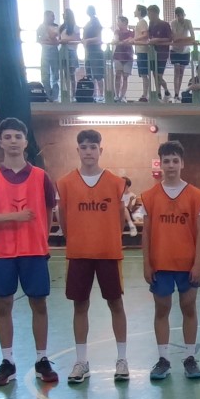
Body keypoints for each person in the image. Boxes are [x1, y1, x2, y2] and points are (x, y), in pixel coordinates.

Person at [0, 118, 59, 386]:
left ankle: (42, 359)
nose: (13, 141)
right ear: (0, 142)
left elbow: (48, 211)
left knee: (39, 304)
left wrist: (41, 238)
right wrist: (14, 217)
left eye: (17, 136)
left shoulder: (41, 177)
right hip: (2, 252)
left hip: (34, 251)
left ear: (25, 142)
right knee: (3, 305)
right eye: (8, 137)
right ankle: (7, 361)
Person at [53, 129, 130, 384]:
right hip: (79, 253)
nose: (88, 151)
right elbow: (63, 219)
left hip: (108, 253)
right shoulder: (65, 183)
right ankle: (81, 361)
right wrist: (77, 239)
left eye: (93, 147)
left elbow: (119, 219)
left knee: (116, 304)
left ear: (100, 150)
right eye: (84, 147)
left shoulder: (115, 182)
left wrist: (108, 237)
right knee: (80, 305)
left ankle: (122, 359)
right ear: (78, 150)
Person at [139, 140, 200, 380]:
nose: (170, 165)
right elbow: (146, 233)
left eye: (175, 161)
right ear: (160, 164)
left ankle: (189, 357)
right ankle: (163, 359)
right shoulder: (149, 196)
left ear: (182, 164)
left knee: (189, 307)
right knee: (162, 309)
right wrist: (146, 263)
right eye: (166, 161)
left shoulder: (196, 196)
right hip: (160, 263)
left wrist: (197, 263)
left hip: (187, 264)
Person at [145, 5, 172, 100]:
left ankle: (165, 90)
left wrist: (157, 39)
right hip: (153, 53)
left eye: (149, 13)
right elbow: (149, 36)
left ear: (155, 13)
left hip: (162, 53)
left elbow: (170, 38)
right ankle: (159, 93)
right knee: (154, 74)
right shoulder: (151, 24)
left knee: (159, 75)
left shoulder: (165, 24)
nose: (148, 15)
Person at [170, 7, 194, 102]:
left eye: (182, 15)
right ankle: (176, 93)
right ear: (176, 16)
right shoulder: (173, 23)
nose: (180, 17)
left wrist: (181, 39)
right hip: (175, 50)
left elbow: (192, 37)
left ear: (184, 15)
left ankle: (178, 92)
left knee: (181, 73)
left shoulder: (188, 22)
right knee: (176, 72)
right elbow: (174, 38)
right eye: (178, 16)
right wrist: (184, 39)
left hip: (185, 50)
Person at [82, 6, 106, 102]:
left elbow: (98, 38)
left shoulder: (96, 22)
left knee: (98, 74)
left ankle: (101, 95)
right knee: (89, 74)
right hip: (88, 51)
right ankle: (93, 94)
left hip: (96, 51)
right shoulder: (88, 23)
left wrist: (88, 40)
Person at [38, 11, 61, 100]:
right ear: (46, 17)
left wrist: (48, 40)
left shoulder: (56, 26)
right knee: (45, 74)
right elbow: (39, 40)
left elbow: (56, 41)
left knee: (55, 74)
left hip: (54, 52)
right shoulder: (40, 27)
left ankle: (54, 96)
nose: (54, 18)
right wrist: (48, 41)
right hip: (44, 52)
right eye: (52, 16)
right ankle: (48, 94)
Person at [113, 15, 134, 102]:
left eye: (119, 21)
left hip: (128, 56)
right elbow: (116, 40)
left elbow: (131, 40)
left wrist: (122, 42)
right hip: (118, 56)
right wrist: (123, 41)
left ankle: (122, 96)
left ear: (124, 22)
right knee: (118, 75)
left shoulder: (131, 33)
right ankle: (116, 95)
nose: (117, 23)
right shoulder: (117, 31)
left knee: (125, 76)